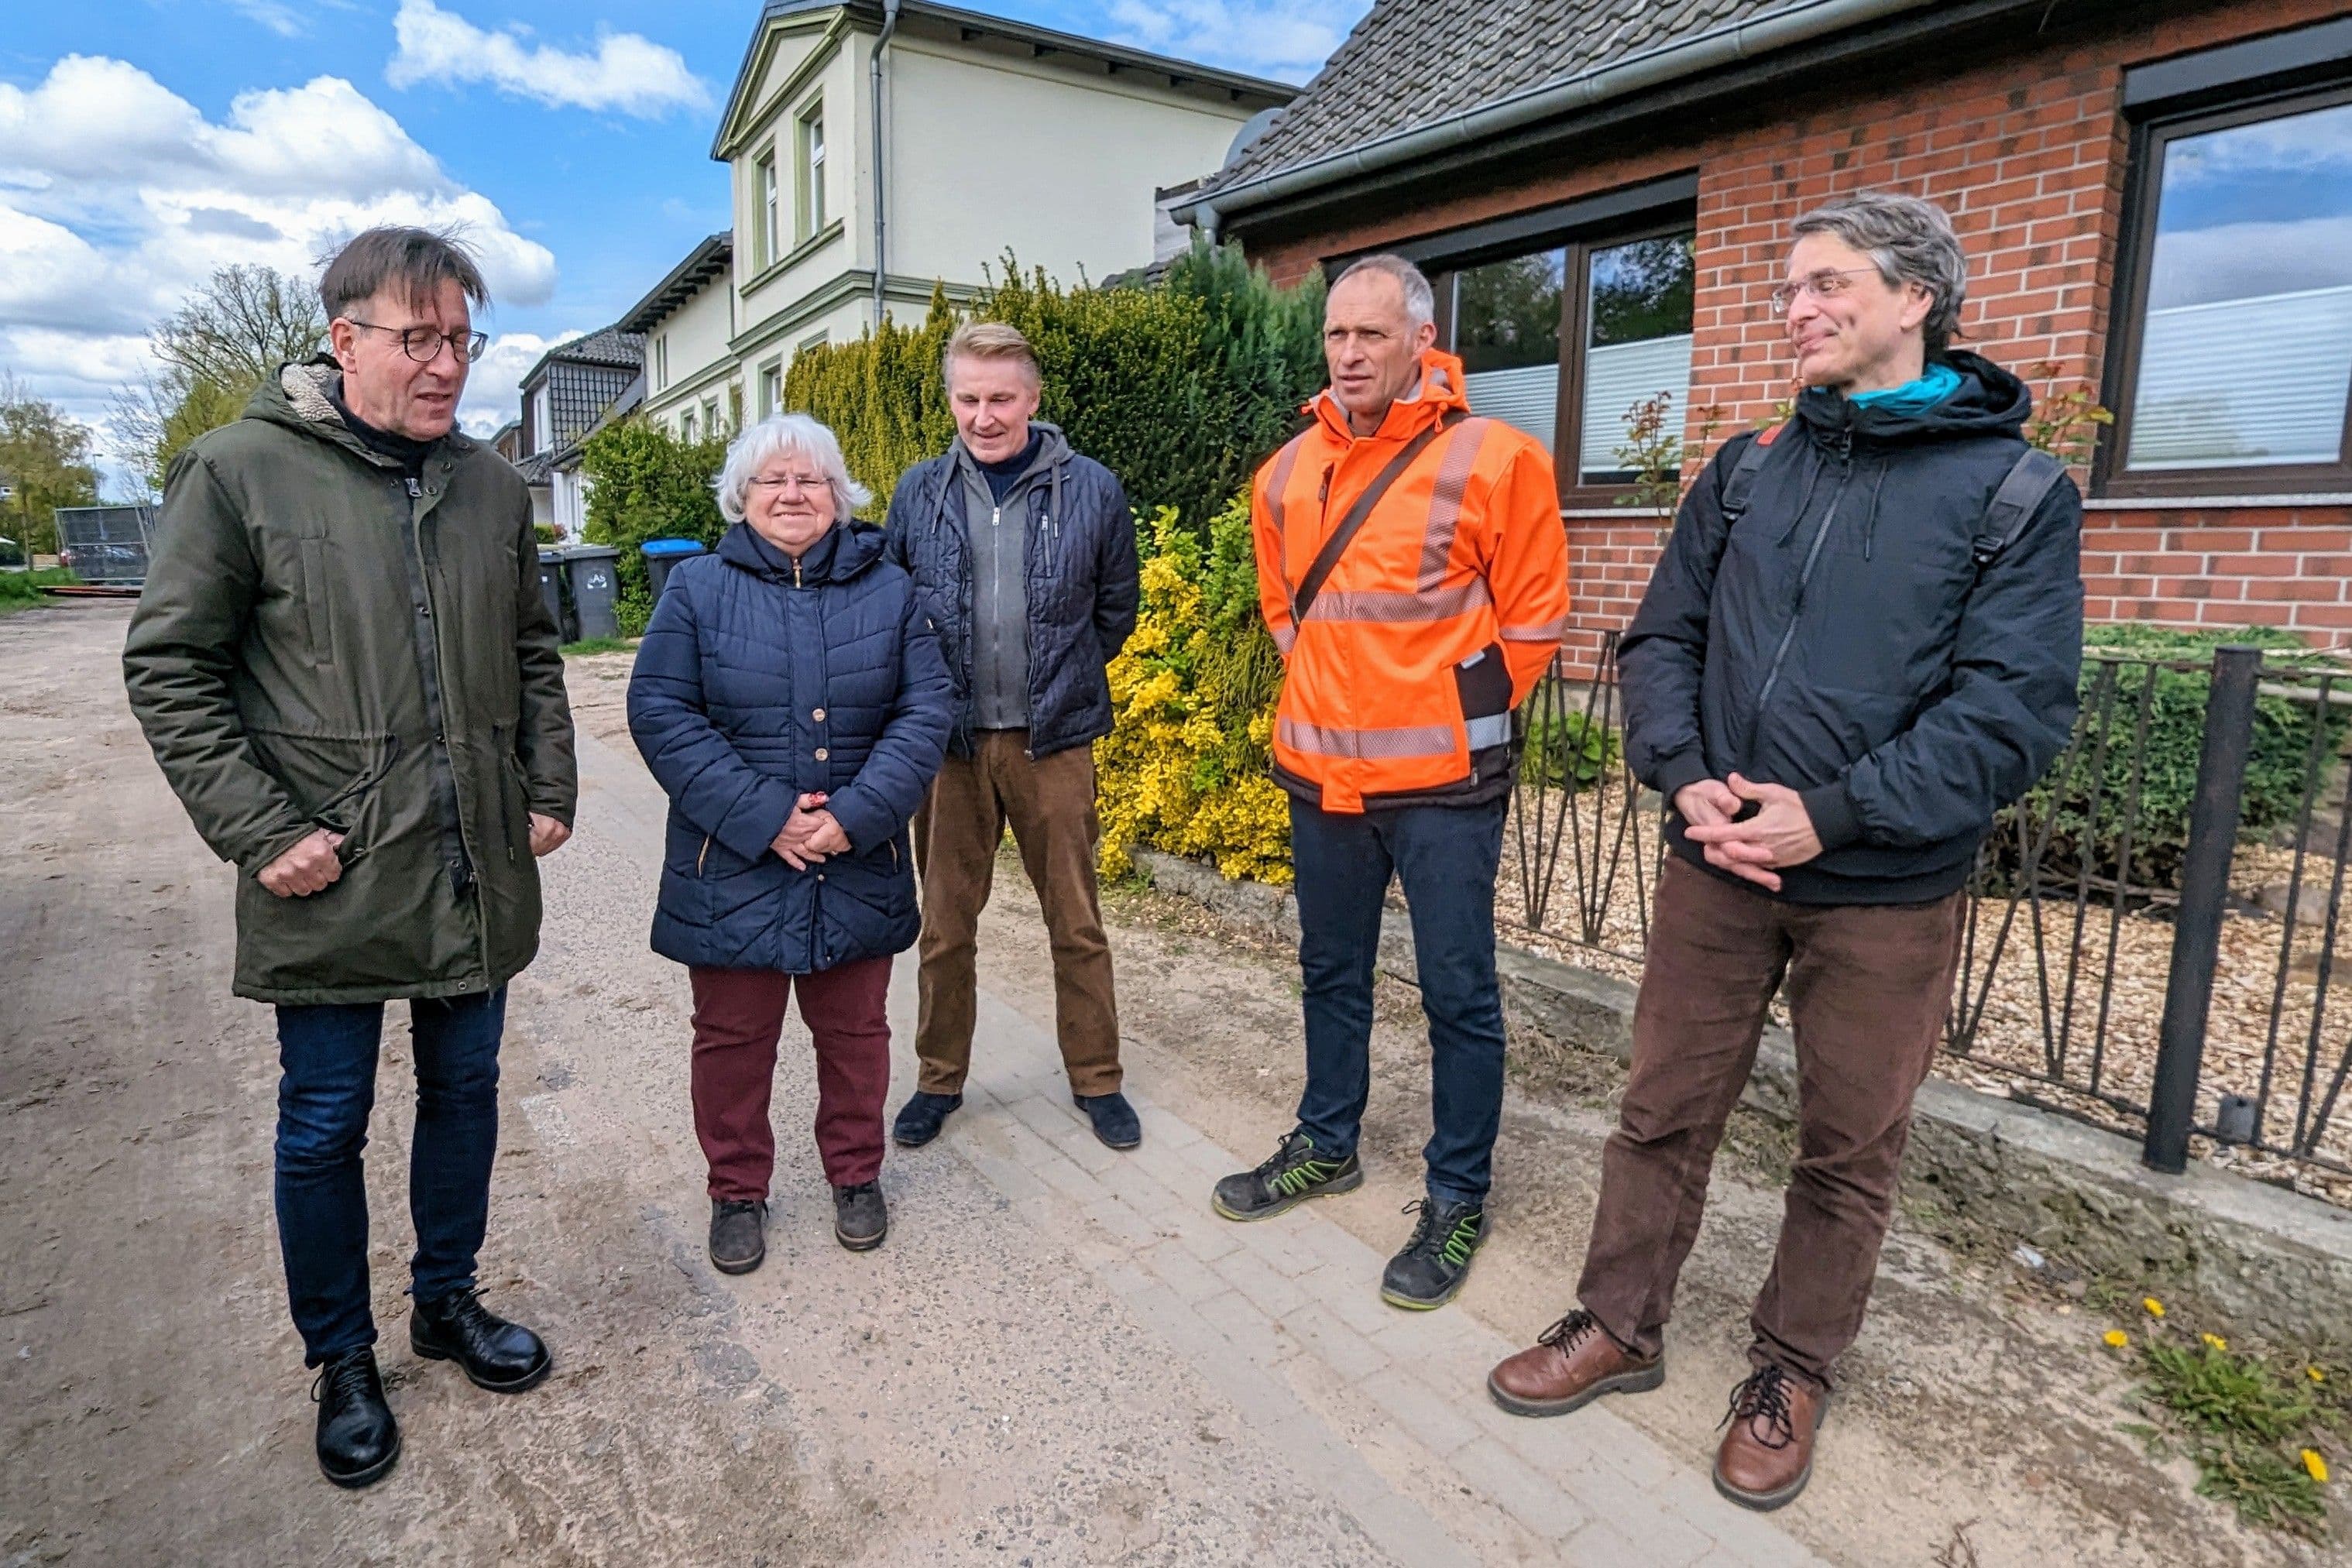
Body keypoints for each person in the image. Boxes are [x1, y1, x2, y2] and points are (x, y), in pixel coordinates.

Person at [1486, 191, 2083, 1511]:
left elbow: (2011, 712)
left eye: (1825, 283)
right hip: (1714, 867)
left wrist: (1836, 812)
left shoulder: (2015, 491)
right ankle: (1618, 1322)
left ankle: (1790, 1369)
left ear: (1915, 297)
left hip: (1884, 890)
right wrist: (1686, 778)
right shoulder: (1749, 467)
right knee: (1659, 1110)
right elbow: (1661, 640)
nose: (1795, 308)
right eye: (1788, 288)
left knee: (1845, 1147)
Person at [122, 227, 577, 1489]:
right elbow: (171, 666)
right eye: (418, 338)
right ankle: (342, 1358)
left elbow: (533, 650)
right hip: (328, 870)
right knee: (324, 1122)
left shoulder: (490, 488)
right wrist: (262, 831)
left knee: (465, 1093)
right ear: (345, 339)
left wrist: (546, 783)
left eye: (462, 340)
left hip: (470, 861)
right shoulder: (238, 471)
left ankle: (446, 1300)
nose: (446, 365)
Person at [1212, 254, 1568, 1311]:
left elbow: (1534, 619)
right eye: (1336, 335)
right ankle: (1327, 1143)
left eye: (1370, 334)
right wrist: (1337, 697)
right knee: (1330, 971)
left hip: (1446, 786)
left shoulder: (1495, 457)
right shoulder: (1285, 472)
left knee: (1458, 992)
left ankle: (1457, 1194)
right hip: (1321, 777)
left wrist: (1451, 714)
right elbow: (1285, 610)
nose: (1350, 353)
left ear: (1421, 339)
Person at [628, 413, 951, 1275]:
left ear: (840, 495)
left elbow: (925, 711)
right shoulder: (695, 589)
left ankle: (855, 1174)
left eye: (811, 479)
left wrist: (854, 816)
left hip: (857, 858)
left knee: (855, 1035)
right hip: (730, 863)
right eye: (772, 480)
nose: (792, 493)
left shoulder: (890, 590)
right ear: (742, 496)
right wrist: (767, 816)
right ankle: (737, 1190)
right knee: (732, 1040)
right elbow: (660, 711)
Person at [881, 323, 1143, 1152]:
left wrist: (1058, 680)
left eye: (1000, 398)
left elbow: (1116, 611)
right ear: (950, 400)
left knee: (1076, 921)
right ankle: (938, 1079)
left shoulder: (1092, 489)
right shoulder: (918, 492)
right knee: (944, 927)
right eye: (968, 398)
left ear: (1032, 399)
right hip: (949, 748)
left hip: (1052, 742)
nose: (983, 416)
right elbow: (892, 607)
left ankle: (1097, 1079)